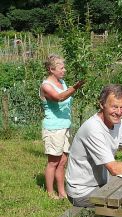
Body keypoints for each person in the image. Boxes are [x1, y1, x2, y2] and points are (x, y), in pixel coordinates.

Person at [40, 54, 84, 199]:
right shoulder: (46, 85)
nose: (64, 70)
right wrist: (75, 87)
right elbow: (59, 98)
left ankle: (62, 191)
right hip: (53, 128)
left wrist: (72, 87)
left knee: (63, 161)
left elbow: (65, 95)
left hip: (65, 127)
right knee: (53, 162)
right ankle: (50, 192)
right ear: (51, 69)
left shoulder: (62, 82)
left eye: (64, 67)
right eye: (61, 68)